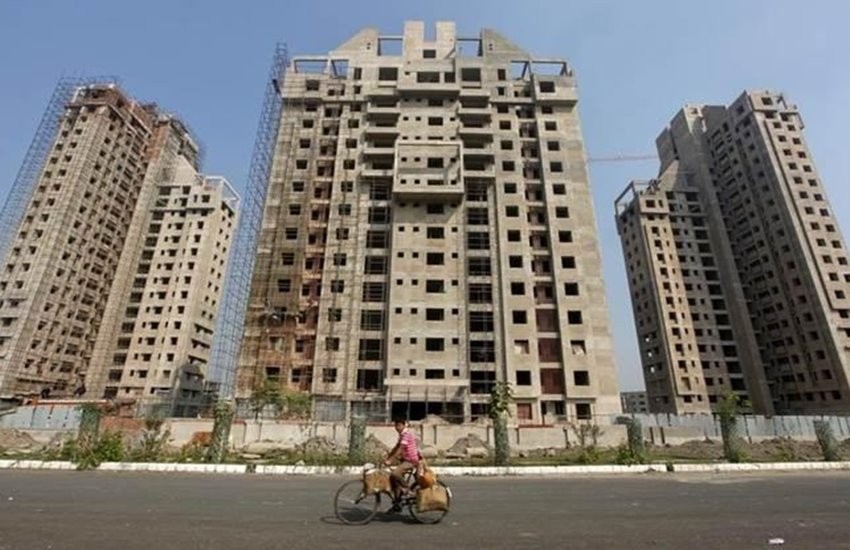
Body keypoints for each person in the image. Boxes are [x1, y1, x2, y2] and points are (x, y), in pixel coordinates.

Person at [383, 417, 420, 508]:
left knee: (395, 473)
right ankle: (397, 503)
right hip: (405, 460)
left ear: (404, 425)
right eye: (396, 425)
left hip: (411, 460)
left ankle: (407, 490)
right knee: (393, 480)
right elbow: (396, 447)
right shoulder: (402, 435)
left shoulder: (407, 434)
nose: (397, 428)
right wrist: (388, 456)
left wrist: (390, 460)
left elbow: (400, 448)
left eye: (399, 425)